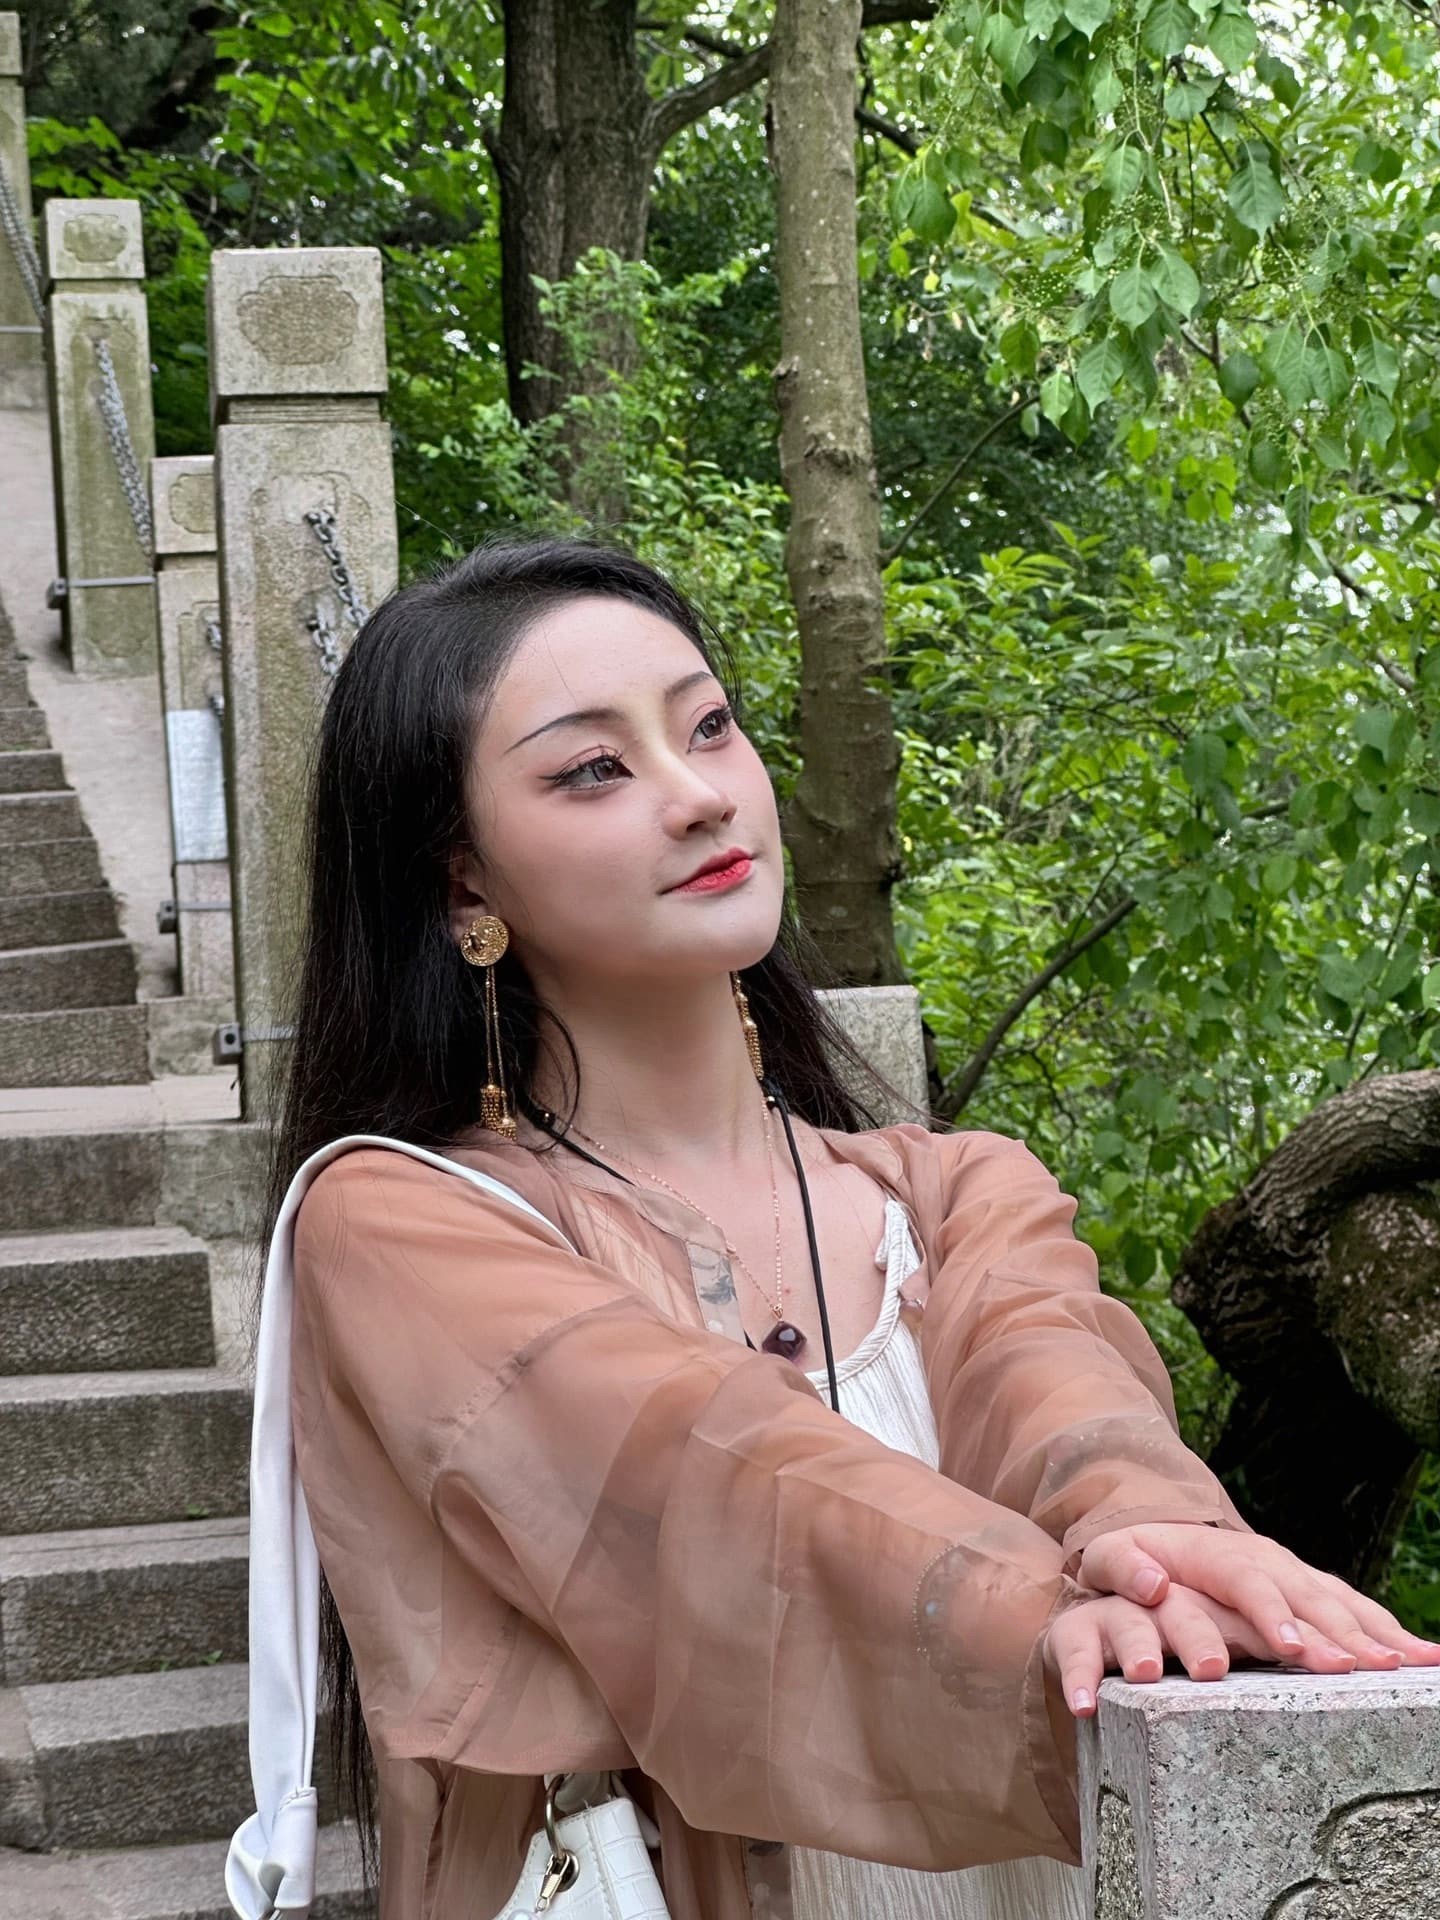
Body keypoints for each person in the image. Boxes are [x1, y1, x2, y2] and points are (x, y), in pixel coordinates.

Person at [268, 537, 1437, 1920]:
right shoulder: (396, 1220)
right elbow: (713, 1482)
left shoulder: (958, 1191)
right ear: (466, 883)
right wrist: (1043, 1621)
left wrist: (1158, 1538)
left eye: (711, 726)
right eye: (594, 769)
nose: (701, 795)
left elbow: (1062, 1397)